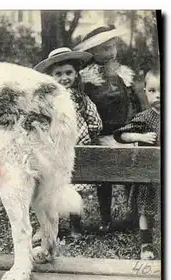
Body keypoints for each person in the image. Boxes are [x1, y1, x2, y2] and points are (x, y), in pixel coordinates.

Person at [74, 25, 143, 232]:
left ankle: (133, 215)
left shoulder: (123, 75)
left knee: (131, 175)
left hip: (123, 132)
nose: (111, 52)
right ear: (93, 52)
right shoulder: (86, 80)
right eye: (104, 49)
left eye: (113, 47)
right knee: (104, 178)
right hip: (101, 134)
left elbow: (134, 103)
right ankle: (106, 218)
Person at [34, 47, 103, 237]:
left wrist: (88, 135)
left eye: (68, 73)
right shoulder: (46, 101)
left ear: (76, 74)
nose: (64, 78)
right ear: (50, 77)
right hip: (53, 150)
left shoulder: (82, 99)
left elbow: (95, 122)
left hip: (76, 149)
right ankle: (46, 227)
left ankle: (75, 226)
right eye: (58, 74)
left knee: (75, 187)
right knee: (48, 187)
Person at [113, 68, 160, 259]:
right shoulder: (145, 117)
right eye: (152, 91)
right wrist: (140, 136)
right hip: (148, 174)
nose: (158, 96)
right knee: (146, 210)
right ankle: (146, 244)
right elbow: (121, 134)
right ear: (145, 92)